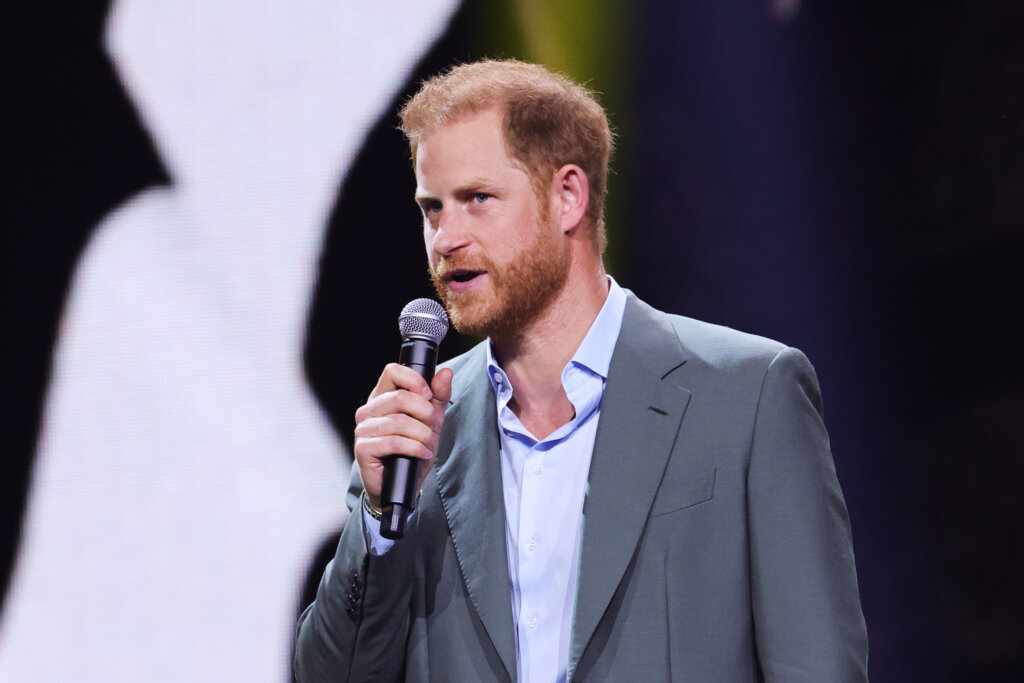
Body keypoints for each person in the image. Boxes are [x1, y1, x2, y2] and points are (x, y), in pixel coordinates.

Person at [294, 59, 868, 682]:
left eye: (477, 199)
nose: (445, 238)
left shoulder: (747, 394)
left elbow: (818, 667)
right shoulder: (416, 428)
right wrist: (379, 525)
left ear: (568, 195)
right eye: (432, 209)